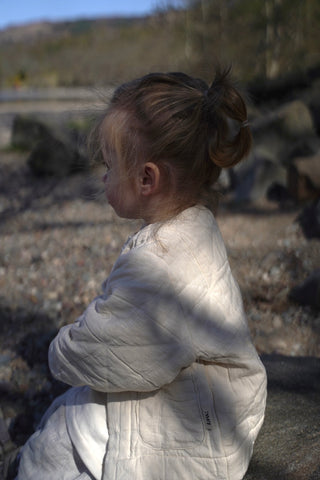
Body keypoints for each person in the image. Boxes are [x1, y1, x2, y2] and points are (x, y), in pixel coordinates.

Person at [15, 68, 267, 480]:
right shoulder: (191, 229)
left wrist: (59, 349)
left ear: (147, 178)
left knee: (59, 439)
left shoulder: (160, 265)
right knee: (65, 412)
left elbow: (104, 350)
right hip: (205, 396)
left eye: (110, 166)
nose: (103, 176)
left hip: (198, 426)